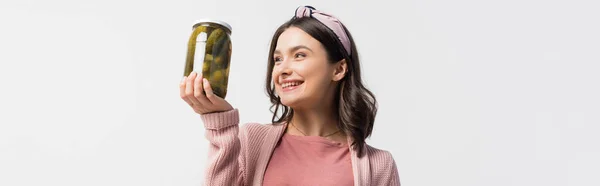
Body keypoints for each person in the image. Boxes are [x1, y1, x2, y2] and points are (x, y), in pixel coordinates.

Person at [180, 5, 400, 186]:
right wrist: (220, 123)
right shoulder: (251, 141)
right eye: (277, 59)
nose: (282, 69)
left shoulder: (378, 166)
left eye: (299, 55)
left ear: (339, 69)